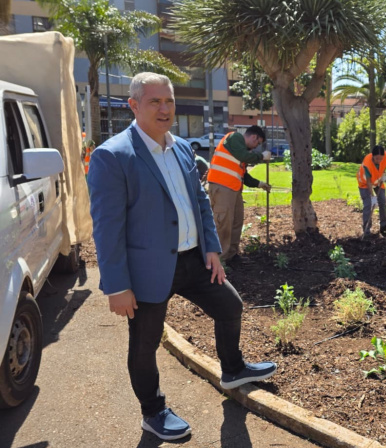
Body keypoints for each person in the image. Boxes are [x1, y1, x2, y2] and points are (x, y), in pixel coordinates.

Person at [88, 72, 277, 442]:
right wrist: (117, 286)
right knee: (145, 342)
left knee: (231, 306)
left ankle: (233, 369)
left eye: (169, 101)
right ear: (134, 105)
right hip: (147, 270)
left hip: (193, 260)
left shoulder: (182, 149)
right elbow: (107, 229)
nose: (164, 109)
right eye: (154, 101)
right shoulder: (112, 156)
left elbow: (201, 203)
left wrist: (212, 248)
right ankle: (152, 411)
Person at [207, 125, 272, 263]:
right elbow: (245, 156)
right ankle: (219, 261)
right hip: (222, 187)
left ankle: (232, 255)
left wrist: (259, 184)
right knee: (223, 224)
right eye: (257, 143)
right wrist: (261, 156)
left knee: (236, 222)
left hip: (233, 190)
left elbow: (244, 176)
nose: (256, 147)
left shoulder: (239, 152)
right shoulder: (235, 137)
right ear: (254, 137)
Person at [357, 145, 386, 237]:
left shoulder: (385, 156)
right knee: (368, 205)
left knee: (382, 201)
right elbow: (368, 182)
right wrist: (373, 197)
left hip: (378, 181)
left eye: (381, 158)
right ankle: (366, 231)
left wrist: (383, 174)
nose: (379, 160)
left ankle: (384, 227)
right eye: (376, 158)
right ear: (372, 156)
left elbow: (384, 165)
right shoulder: (367, 163)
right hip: (364, 184)